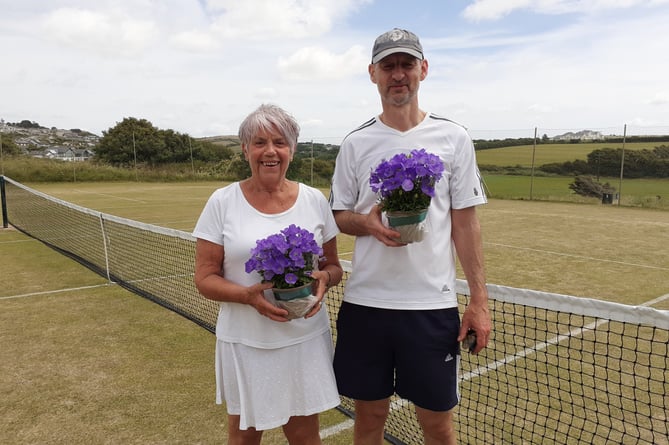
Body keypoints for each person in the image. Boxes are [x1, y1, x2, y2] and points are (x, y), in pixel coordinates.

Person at [330, 28, 492, 445]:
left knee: (437, 426)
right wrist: (366, 224)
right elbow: (339, 216)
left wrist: (478, 302)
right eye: (388, 66)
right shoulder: (355, 143)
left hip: (431, 308)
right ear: (373, 74)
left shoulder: (453, 137)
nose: (398, 74)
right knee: (368, 420)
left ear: (423, 69)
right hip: (366, 306)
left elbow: (465, 224)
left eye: (406, 64)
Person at [193, 104, 343, 445]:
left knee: (306, 436)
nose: (270, 151)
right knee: (245, 437)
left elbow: (332, 266)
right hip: (247, 342)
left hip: (304, 339)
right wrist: (247, 297)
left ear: (292, 149)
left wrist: (326, 280)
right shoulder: (222, 201)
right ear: (246, 150)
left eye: (280, 141)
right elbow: (204, 277)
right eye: (259, 142)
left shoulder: (314, 201)